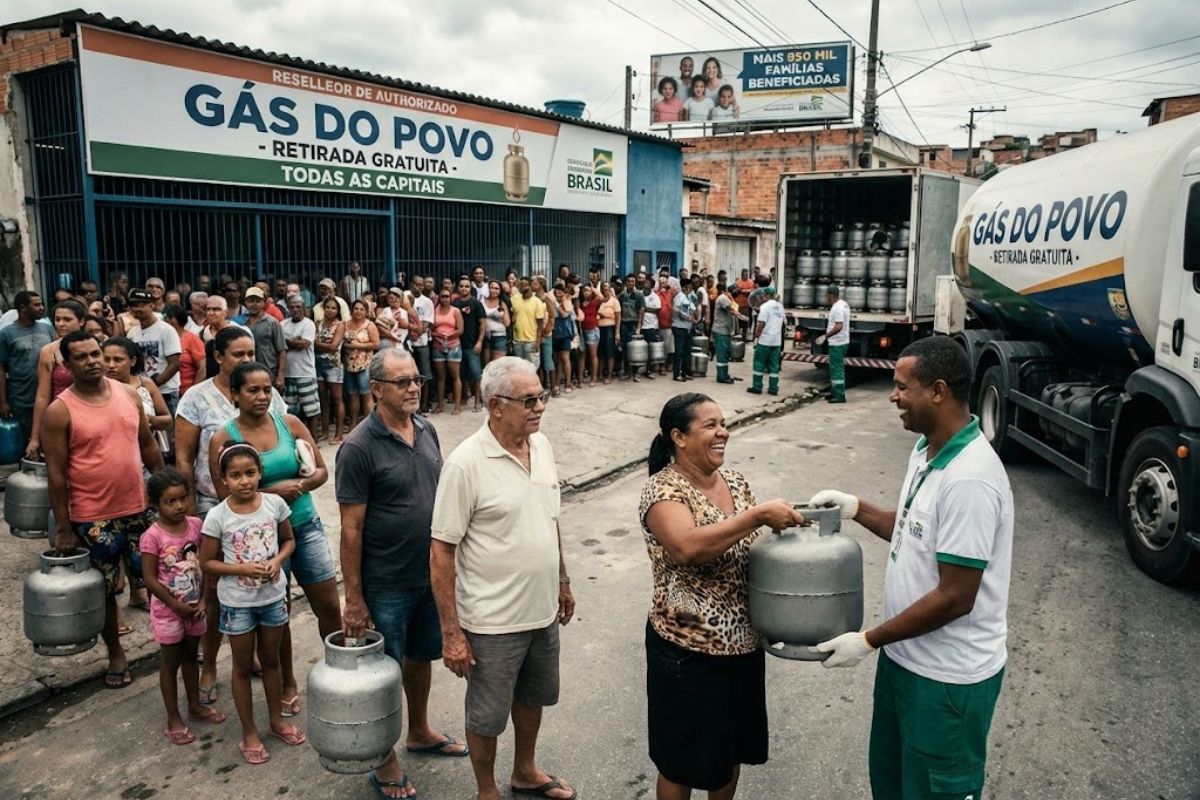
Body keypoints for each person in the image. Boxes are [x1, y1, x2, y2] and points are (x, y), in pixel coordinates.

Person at [808, 337, 1013, 800]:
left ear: (937, 391)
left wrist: (868, 640)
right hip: (903, 662)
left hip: (946, 681)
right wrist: (856, 508)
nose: (892, 396)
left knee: (933, 790)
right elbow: (911, 529)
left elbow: (956, 597)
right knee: (892, 783)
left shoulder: (971, 478)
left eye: (902, 387)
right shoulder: (926, 450)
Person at [640, 393, 804, 799]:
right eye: (710, 425)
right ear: (678, 437)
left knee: (730, 752)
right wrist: (757, 515)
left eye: (724, 424)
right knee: (680, 763)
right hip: (688, 652)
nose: (723, 433)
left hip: (743, 647)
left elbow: (751, 551)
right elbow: (687, 548)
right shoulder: (663, 490)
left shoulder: (735, 481)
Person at [430, 357, 576, 800]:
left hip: (541, 611)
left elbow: (550, 518)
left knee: (533, 697)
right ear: (495, 405)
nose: (540, 407)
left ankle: (525, 771)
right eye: (529, 400)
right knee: (487, 714)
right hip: (492, 621)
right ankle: (486, 789)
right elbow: (441, 552)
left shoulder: (541, 445)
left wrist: (563, 580)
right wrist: (452, 633)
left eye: (541, 396)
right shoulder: (465, 464)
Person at [338, 349, 469, 799]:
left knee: (419, 657)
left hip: (429, 575)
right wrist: (355, 599)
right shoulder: (358, 447)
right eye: (402, 382)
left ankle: (419, 731)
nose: (414, 387)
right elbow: (350, 530)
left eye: (416, 379)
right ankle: (384, 758)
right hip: (385, 582)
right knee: (382, 672)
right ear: (376, 389)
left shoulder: (427, 428)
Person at [208, 362, 337, 721]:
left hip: (305, 526)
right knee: (278, 616)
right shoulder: (223, 438)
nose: (262, 396)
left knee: (329, 605)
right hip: (260, 541)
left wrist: (300, 485)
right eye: (252, 390)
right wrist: (272, 492)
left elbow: (322, 471)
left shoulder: (290, 423)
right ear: (234, 395)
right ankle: (287, 684)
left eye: (267, 389)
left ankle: (338, 673)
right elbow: (224, 497)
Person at [175, 326, 288, 703]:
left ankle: (249, 653)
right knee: (214, 588)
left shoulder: (266, 394)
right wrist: (191, 508)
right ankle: (209, 665)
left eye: (250, 353)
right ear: (218, 356)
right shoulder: (196, 398)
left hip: (259, 506)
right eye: (238, 354)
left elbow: (284, 435)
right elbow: (184, 457)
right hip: (213, 504)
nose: (246, 359)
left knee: (254, 580)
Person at [45, 331, 164, 688]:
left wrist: (167, 492)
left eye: (95, 353)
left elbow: (148, 445)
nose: (93, 361)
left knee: (161, 577)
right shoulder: (59, 411)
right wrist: (64, 528)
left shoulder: (129, 394)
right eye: (81, 357)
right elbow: (56, 475)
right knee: (107, 590)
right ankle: (116, 653)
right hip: (92, 516)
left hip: (140, 507)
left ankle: (175, 642)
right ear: (67, 365)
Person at [199, 442, 305, 765]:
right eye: (235, 475)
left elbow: (289, 540)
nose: (244, 481)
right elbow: (207, 562)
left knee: (271, 661)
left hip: (272, 598)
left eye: (250, 473)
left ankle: (276, 721)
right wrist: (241, 569)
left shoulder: (274, 505)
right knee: (242, 667)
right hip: (237, 604)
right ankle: (249, 732)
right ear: (223, 479)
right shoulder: (217, 516)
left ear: (260, 473)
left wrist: (277, 561)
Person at [140, 467, 227, 745]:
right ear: (156, 504)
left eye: (183, 499)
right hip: (168, 611)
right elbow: (150, 580)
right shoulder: (152, 537)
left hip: (195, 608)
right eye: (170, 501)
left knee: (191, 656)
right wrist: (175, 606)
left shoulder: (196, 526)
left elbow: (205, 564)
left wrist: (203, 600)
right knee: (170, 663)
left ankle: (195, 706)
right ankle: (173, 718)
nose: (178, 506)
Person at [25, 299, 86, 459]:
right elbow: (42, 396)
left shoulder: (94, 347)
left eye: (67, 319)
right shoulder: (49, 351)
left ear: (81, 321)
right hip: (59, 419)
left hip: (89, 417)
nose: (61, 324)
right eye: (57, 319)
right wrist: (35, 437)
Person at [0, 290, 53, 450]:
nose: (42, 308)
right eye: (36, 305)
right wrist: (3, 402)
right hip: (20, 398)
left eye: (41, 304)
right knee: (23, 442)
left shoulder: (47, 328)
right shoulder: (6, 334)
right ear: (23, 308)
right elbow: (1, 369)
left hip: (47, 395)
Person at [126, 288, 182, 416]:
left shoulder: (166, 330)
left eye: (140, 304)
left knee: (169, 426)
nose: (136, 308)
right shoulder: (132, 333)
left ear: (152, 306)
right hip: (142, 392)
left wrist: (154, 384)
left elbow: (174, 364)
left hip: (166, 392)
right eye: (133, 305)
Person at [281, 294, 321, 438]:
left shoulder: (308, 324)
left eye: (298, 306)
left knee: (311, 410)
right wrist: (294, 341)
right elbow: (280, 345)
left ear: (304, 308)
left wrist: (287, 342)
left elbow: (304, 344)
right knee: (290, 411)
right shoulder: (283, 324)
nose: (295, 309)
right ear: (288, 308)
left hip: (305, 372)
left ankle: (313, 439)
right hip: (288, 373)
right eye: (292, 307)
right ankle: (295, 439)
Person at [315, 296, 347, 443]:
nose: (330, 310)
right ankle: (325, 431)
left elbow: (334, 347)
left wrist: (318, 344)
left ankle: (338, 434)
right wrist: (324, 346)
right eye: (328, 307)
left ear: (338, 310)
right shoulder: (318, 324)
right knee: (323, 399)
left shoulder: (340, 325)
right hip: (318, 364)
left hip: (334, 366)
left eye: (333, 308)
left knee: (337, 399)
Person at [344, 299, 380, 430]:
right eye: (356, 308)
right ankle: (354, 424)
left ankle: (371, 425)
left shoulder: (369, 325)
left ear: (366, 312)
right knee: (352, 395)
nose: (358, 311)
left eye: (362, 309)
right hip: (348, 365)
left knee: (366, 395)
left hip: (364, 364)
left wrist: (357, 345)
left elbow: (376, 344)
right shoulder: (345, 324)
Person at [430, 287, 465, 415]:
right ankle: (440, 405)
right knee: (440, 377)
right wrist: (438, 335)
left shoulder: (456, 311)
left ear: (450, 298)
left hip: (453, 345)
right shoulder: (434, 311)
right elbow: (431, 329)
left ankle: (457, 406)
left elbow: (460, 329)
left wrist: (449, 335)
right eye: (442, 296)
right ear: (439, 297)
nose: (444, 299)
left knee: (455, 376)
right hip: (438, 345)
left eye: (447, 296)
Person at [244, 288, 287, 391]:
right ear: (245, 303)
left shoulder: (272, 323)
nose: (254, 304)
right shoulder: (242, 322)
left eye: (257, 301)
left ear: (264, 302)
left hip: (269, 371)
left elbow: (282, 350)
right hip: (248, 371)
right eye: (250, 301)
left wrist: (281, 376)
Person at [455, 278, 487, 412]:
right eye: (461, 286)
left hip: (472, 344)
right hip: (457, 344)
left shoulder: (476, 303)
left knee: (476, 374)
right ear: (458, 288)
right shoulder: (455, 304)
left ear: (470, 288)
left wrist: (480, 341)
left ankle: (478, 401)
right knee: (462, 373)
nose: (464, 288)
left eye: (467, 286)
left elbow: (483, 323)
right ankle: (464, 397)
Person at [747, 287, 785, 396]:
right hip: (776, 342)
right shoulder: (780, 307)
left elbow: (760, 324)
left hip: (764, 341)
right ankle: (773, 388)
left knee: (759, 363)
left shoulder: (765, 307)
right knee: (774, 366)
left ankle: (757, 387)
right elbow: (783, 323)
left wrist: (756, 337)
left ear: (767, 296)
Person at [817, 285, 851, 403]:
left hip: (837, 343)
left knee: (837, 368)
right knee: (835, 368)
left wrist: (826, 336)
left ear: (830, 295)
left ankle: (839, 395)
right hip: (842, 341)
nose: (826, 297)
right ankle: (835, 391)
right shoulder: (844, 304)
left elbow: (838, 326)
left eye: (826, 294)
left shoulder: (837, 308)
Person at [410, 276, 436, 411]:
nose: (419, 287)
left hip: (422, 342)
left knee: (424, 375)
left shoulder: (427, 302)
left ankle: (424, 405)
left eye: (421, 284)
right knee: (410, 375)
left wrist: (416, 333)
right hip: (407, 343)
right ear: (411, 284)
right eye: (416, 284)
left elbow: (426, 324)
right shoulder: (405, 297)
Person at [510, 277, 545, 370]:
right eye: (521, 284)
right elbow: (512, 318)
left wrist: (538, 341)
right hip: (517, 341)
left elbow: (540, 324)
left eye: (526, 284)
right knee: (519, 369)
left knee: (532, 369)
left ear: (530, 286)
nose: (524, 286)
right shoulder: (514, 299)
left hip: (531, 341)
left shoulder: (537, 302)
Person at [550, 285, 576, 396]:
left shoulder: (567, 302)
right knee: (557, 359)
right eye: (556, 293)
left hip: (565, 333)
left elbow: (565, 314)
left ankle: (568, 384)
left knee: (565, 358)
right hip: (555, 333)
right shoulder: (552, 302)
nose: (558, 295)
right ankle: (556, 383)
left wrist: (558, 304)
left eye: (560, 292)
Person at [618, 274, 645, 381]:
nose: (631, 283)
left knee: (635, 349)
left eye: (633, 281)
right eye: (629, 281)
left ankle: (636, 373)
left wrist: (639, 327)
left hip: (633, 323)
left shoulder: (639, 295)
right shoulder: (622, 295)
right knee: (625, 348)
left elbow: (641, 311)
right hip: (624, 323)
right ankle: (626, 372)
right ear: (626, 282)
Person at [671, 283, 698, 382]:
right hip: (679, 327)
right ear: (683, 288)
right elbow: (681, 313)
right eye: (687, 287)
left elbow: (692, 309)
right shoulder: (680, 298)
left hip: (687, 327)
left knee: (687, 351)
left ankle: (684, 372)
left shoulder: (689, 297)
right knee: (679, 351)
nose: (689, 289)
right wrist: (691, 319)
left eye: (690, 288)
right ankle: (677, 374)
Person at [596, 282, 621, 384]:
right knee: (601, 352)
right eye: (603, 287)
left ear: (610, 288)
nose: (605, 289)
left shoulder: (614, 301)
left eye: (607, 287)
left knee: (610, 352)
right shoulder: (599, 301)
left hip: (610, 328)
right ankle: (600, 374)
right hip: (599, 328)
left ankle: (609, 376)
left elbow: (618, 316)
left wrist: (617, 332)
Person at [482, 280, 511, 367]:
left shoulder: (502, 303)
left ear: (500, 290)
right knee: (486, 366)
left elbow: (507, 323)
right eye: (492, 288)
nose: (494, 290)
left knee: (498, 366)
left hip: (499, 337)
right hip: (485, 336)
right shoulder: (482, 301)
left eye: (496, 288)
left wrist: (499, 317)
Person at [576, 286, 600, 386]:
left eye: (588, 290)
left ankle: (594, 378)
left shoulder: (595, 302)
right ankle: (580, 380)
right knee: (581, 355)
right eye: (584, 290)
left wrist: (593, 288)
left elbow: (601, 297)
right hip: (581, 330)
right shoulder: (579, 303)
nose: (586, 292)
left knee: (593, 354)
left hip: (592, 329)